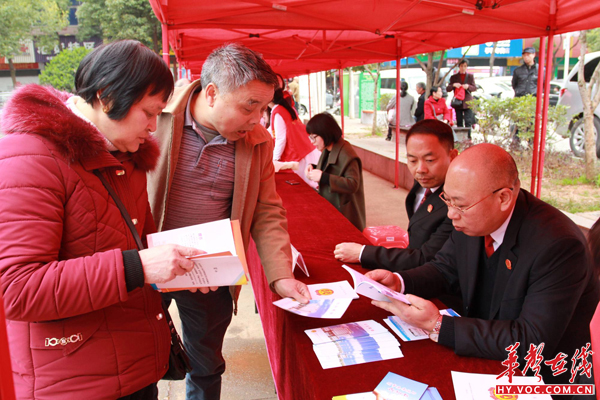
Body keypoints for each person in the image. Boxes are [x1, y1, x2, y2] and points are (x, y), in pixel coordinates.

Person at [0, 40, 203, 399]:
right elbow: (17, 290)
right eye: (148, 112)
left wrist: (175, 272)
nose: (154, 128)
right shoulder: (29, 157)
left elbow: (134, 248)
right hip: (74, 378)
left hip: (133, 363)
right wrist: (138, 267)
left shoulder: (126, 158)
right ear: (106, 97)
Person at [147, 43, 310, 400]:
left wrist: (281, 275)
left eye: (264, 108)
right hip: (145, 266)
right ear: (211, 93)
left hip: (209, 275)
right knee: (139, 362)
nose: (258, 119)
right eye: (249, 106)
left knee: (206, 365)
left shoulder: (258, 142)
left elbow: (267, 211)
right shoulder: (154, 119)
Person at [367, 144, 599, 390]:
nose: (451, 214)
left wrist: (439, 325)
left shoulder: (558, 245)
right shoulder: (474, 217)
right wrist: (400, 281)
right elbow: (444, 268)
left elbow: (531, 340)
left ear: (503, 198)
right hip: (483, 350)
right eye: (448, 200)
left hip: (537, 377)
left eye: (460, 205)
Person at [334, 119, 456, 271]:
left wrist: (363, 253)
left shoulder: (456, 203)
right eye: (412, 160)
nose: (420, 169)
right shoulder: (425, 181)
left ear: (453, 156)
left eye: (430, 160)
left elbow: (426, 257)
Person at [305, 113, 366, 231]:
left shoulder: (347, 154)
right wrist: (313, 167)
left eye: (314, 137)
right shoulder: (329, 148)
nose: (312, 142)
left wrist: (324, 177)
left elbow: (353, 184)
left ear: (325, 133)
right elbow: (329, 168)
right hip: (333, 207)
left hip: (346, 213)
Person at [269, 87, 320, 187]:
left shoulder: (278, 111)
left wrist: (274, 160)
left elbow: (280, 138)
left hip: (301, 152)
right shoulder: (281, 109)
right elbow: (272, 131)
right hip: (305, 149)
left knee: (307, 186)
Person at [447, 60, 476, 138]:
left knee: (468, 121)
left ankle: (468, 137)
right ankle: (460, 138)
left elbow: (474, 87)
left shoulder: (470, 76)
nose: (463, 68)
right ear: (459, 66)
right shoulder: (454, 77)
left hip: (468, 102)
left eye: (465, 66)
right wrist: (454, 85)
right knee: (459, 121)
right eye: (461, 66)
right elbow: (448, 88)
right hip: (458, 101)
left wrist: (468, 86)